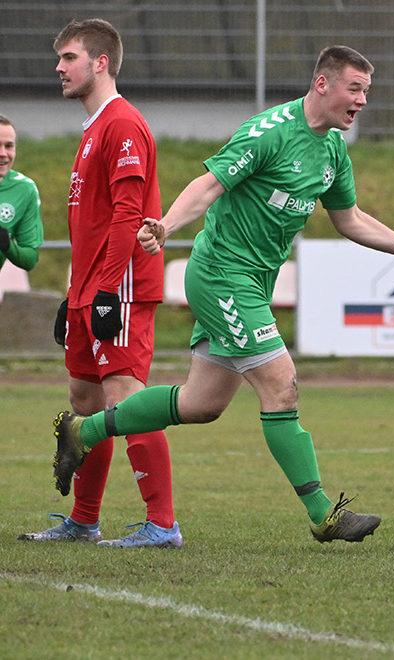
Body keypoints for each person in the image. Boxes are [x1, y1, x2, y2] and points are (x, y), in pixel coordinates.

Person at [50, 45, 394, 544]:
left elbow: (348, 218)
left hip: (253, 283)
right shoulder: (269, 132)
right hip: (222, 272)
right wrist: (166, 225)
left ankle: (83, 432)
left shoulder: (332, 150)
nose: (362, 101)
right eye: (355, 89)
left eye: (367, 91)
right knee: (280, 383)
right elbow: (209, 184)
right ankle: (323, 513)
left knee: (201, 404)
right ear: (322, 85)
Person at [19, 19, 182, 548]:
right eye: (59, 58)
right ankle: (84, 521)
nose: (59, 67)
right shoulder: (93, 129)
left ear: (100, 62)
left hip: (123, 288)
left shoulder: (122, 124)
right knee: (85, 400)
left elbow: (129, 215)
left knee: (127, 398)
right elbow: (91, 225)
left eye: (68, 57)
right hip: (91, 289)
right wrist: (75, 292)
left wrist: (109, 288)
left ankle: (162, 525)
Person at [0, 114, 44, 275]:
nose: (3, 153)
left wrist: (7, 245)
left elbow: (30, 258)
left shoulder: (24, 189)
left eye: (9, 146)